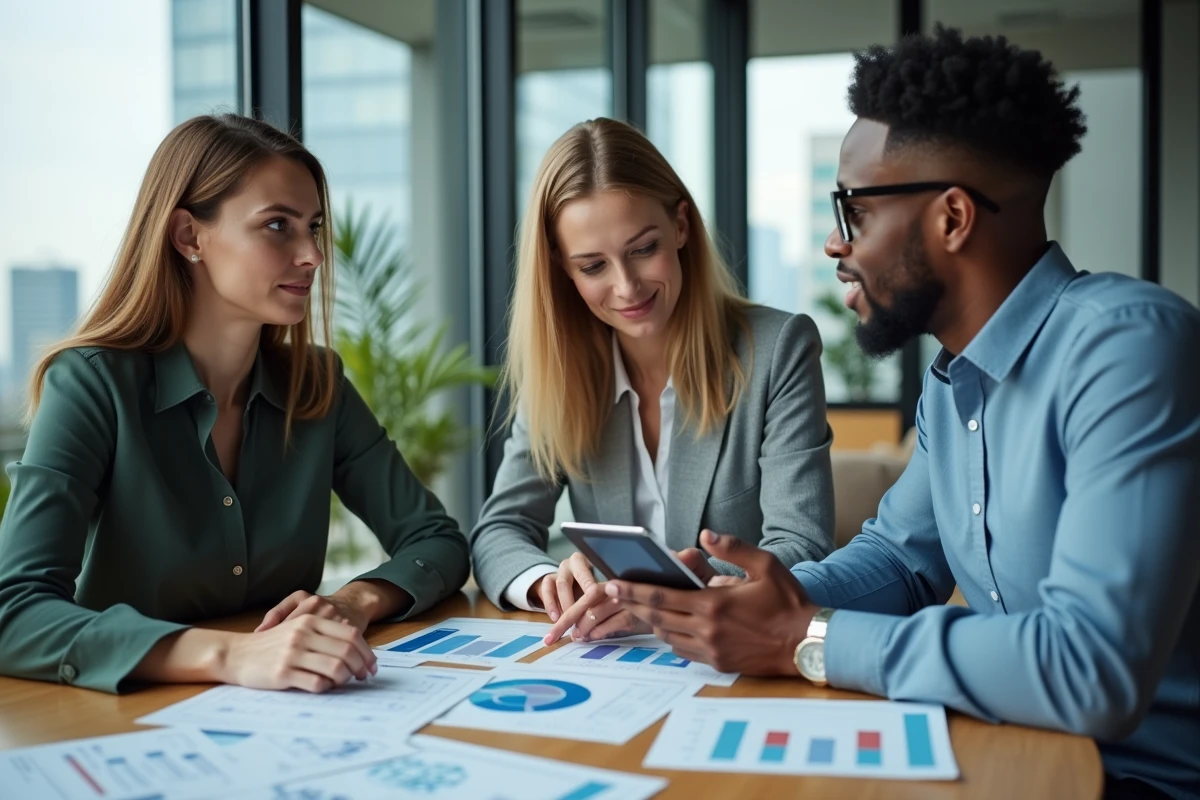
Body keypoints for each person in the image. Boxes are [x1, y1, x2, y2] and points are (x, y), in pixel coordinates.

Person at [601, 27, 1200, 799]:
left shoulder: (1127, 347)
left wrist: (805, 638)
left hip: (1136, 779)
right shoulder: (955, 382)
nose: (832, 242)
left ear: (952, 218)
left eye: (853, 211)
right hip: (1005, 750)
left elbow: (1089, 667)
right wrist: (742, 597)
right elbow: (898, 559)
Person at [0, 114, 470, 694]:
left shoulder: (317, 383)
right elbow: (14, 610)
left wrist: (352, 602)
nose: (313, 256)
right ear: (189, 237)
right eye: (277, 225)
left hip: (288, 708)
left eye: (313, 227)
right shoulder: (93, 385)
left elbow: (437, 541)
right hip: (126, 717)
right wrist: (229, 655)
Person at [470, 118, 834, 643]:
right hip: (616, 663)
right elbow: (499, 531)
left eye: (643, 249)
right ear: (562, 271)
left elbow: (802, 549)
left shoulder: (779, 349)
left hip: (744, 655)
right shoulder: (561, 370)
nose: (626, 286)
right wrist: (549, 583)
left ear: (681, 226)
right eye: (592, 265)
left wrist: (662, 601)